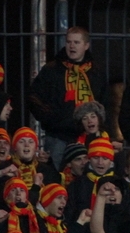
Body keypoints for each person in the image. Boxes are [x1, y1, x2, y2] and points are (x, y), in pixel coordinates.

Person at [27, 27, 106, 169]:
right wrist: (52, 118)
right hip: (58, 137)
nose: (71, 46)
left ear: (86, 45)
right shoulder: (51, 69)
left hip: (90, 137)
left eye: (76, 42)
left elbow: (105, 103)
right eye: (69, 42)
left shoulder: (96, 71)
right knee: (56, 175)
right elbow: (34, 97)